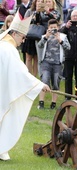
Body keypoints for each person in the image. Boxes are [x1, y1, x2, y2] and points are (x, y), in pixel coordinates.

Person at [0, 10, 50, 161]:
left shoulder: (3, 45)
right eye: (22, 37)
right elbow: (20, 73)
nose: (23, 41)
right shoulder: (8, 49)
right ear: (14, 34)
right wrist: (39, 84)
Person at [37, 19, 70, 109]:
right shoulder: (45, 36)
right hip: (46, 62)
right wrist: (46, 37)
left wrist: (60, 40)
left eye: (55, 27)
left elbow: (68, 48)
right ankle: (41, 102)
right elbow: (39, 45)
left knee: (56, 83)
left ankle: (53, 103)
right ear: (48, 28)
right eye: (51, 28)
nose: (53, 29)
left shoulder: (63, 37)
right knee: (44, 81)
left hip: (57, 64)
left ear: (58, 28)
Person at [24, 0, 61, 77]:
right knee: (39, 57)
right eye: (46, 2)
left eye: (49, 2)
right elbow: (36, 21)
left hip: (53, 38)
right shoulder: (41, 12)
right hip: (41, 36)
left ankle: (48, 75)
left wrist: (48, 13)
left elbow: (56, 20)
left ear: (53, 3)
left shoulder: (55, 12)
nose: (47, 3)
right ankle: (37, 76)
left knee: (45, 58)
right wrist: (37, 12)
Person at [60, 9, 77, 99]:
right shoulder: (66, 27)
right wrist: (66, 28)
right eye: (73, 16)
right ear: (70, 17)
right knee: (68, 78)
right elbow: (60, 36)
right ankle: (68, 96)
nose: (75, 17)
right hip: (68, 56)